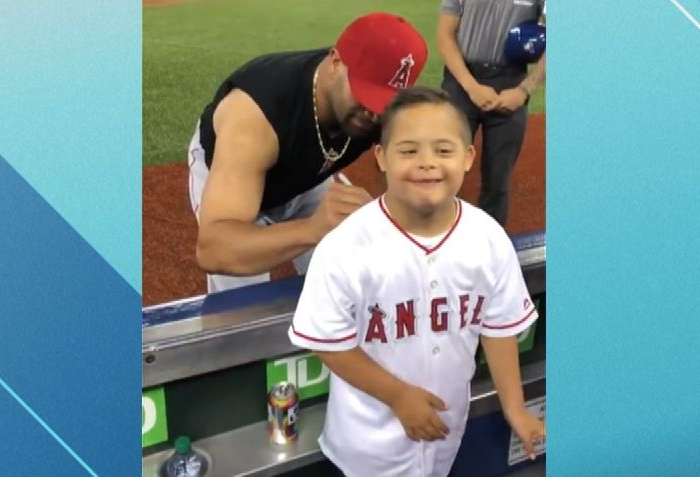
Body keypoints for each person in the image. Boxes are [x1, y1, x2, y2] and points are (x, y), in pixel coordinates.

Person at [288, 86, 545, 476]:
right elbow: (327, 342)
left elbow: (497, 328)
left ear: (468, 157)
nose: (427, 163)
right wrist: (398, 396)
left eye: (443, 150)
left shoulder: (488, 238)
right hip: (367, 443)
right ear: (381, 158)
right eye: (408, 150)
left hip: (445, 433)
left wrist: (515, 409)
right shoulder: (345, 245)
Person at [189, 13, 428, 293]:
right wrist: (312, 229)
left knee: (352, 278)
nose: (375, 112)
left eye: (386, 101)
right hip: (236, 177)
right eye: (366, 95)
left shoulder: (380, 113)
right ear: (335, 62)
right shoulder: (256, 114)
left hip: (307, 179)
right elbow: (215, 249)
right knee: (241, 299)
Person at [437, 0, 546, 227]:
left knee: (498, 179)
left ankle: (492, 246)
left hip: (511, 83)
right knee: (441, 168)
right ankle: (433, 239)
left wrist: (524, 90)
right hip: (461, 79)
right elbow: (445, 35)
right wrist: (471, 86)